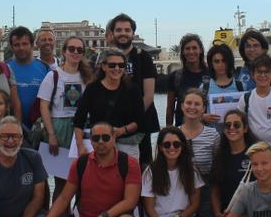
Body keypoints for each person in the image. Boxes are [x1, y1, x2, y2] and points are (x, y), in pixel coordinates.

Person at [38, 122, 142, 217]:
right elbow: (65, 197)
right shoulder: (80, 163)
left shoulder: (129, 163)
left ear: (114, 138)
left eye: (106, 137)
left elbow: (130, 201)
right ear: (91, 140)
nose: (100, 142)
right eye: (96, 138)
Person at [37, 36, 93, 199]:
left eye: (79, 50)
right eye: (71, 49)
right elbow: (44, 106)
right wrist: (52, 135)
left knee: (84, 179)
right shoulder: (53, 76)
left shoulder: (88, 78)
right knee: (62, 182)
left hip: (82, 129)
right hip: (59, 129)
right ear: (64, 52)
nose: (75, 53)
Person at [141, 128, 203, 217]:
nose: (172, 148)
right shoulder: (151, 171)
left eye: (176, 144)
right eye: (167, 145)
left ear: (182, 146)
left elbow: (195, 204)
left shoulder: (191, 170)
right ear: (161, 148)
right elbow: (149, 208)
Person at [73, 49, 146, 161]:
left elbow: (140, 120)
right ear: (104, 67)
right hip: (99, 144)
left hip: (126, 144)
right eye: (112, 65)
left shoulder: (133, 89)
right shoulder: (92, 89)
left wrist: (122, 130)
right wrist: (80, 146)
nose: (117, 68)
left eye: (121, 65)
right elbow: (79, 119)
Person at [108, 13, 158, 165]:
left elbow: (149, 95)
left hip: (139, 124)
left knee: (142, 168)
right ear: (113, 33)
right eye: (119, 30)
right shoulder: (105, 58)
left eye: (127, 30)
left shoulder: (143, 57)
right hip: (110, 125)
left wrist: (131, 121)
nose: (123, 33)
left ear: (133, 33)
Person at [177, 88, 221, 217]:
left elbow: (217, 165)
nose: (192, 107)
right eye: (188, 103)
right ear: (182, 106)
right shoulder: (175, 134)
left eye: (197, 104)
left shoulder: (213, 135)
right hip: (180, 189)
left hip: (205, 189)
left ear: (203, 109)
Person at [208, 109, 254, 217]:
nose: (232, 128)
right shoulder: (220, 157)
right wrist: (217, 216)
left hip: (250, 216)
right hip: (225, 214)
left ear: (245, 129)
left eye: (237, 125)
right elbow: (214, 191)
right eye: (228, 125)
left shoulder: (255, 155)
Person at [236, 56, 271, 158]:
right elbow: (240, 127)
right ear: (253, 75)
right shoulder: (245, 99)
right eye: (259, 72)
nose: (263, 75)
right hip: (254, 156)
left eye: (266, 72)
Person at [7, 26, 51, 130]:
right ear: (12, 47)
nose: (21, 48)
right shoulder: (5, 68)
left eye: (25, 44)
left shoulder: (45, 68)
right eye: (16, 45)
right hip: (12, 126)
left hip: (40, 127)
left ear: (32, 45)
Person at [165, 33, 208, 126]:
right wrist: (168, 129)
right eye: (187, 49)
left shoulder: (210, 74)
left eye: (194, 48)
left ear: (200, 50)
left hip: (207, 129)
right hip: (182, 129)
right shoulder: (175, 76)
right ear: (183, 52)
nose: (191, 52)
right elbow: (170, 107)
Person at [203, 43, 247, 125]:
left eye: (224, 61)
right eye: (216, 61)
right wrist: (203, 117)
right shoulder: (204, 88)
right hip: (212, 135)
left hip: (235, 134)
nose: (220, 65)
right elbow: (195, 113)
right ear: (211, 64)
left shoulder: (240, 86)